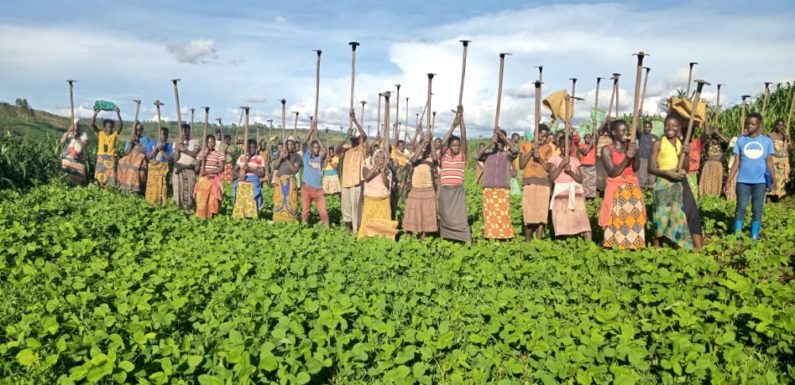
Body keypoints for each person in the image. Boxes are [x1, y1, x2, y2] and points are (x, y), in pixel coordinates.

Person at [648, 115, 703, 249]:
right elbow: (650, 168)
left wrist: (686, 154)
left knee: (681, 213)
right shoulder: (659, 143)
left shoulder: (681, 144)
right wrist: (667, 172)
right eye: (667, 125)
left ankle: (690, 246)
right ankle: (657, 248)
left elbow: (686, 168)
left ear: (679, 128)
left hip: (679, 182)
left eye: (674, 126)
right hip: (663, 183)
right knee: (661, 215)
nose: (670, 128)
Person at [726, 113, 776, 239]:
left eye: (753, 124)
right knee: (741, 207)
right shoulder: (741, 140)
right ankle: (737, 235)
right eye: (748, 123)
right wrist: (728, 180)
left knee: (757, 209)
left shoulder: (766, 141)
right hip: (742, 180)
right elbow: (737, 162)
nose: (750, 126)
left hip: (760, 181)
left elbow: (769, 161)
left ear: (759, 125)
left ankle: (754, 236)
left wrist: (773, 180)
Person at [598, 120, 646, 249]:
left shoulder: (630, 147)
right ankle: (615, 245)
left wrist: (634, 154)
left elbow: (636, 168)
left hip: (632, 188)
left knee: (633, 218)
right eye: (623, 130)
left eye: (627, 130)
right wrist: (626, 158)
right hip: (617, 189)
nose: (626, 133)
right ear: (614, 133)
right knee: (617, 218)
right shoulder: (606, 150)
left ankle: (633, 245)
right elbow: (613, 172)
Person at [547, 132, 592, 240]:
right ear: (559, 146)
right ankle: (561, 245)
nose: (565, 149)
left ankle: (589, 245)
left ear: (572, 147)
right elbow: (552, 177)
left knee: (582, 218)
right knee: (560, 220)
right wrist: (562, 164)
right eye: (563, 147)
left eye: (568, 147)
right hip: (560, 192)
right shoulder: (554, 159)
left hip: (575, 193)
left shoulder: (575, 161)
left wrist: (570, 172)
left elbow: (580, 179)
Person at [437, 106, 472, 243]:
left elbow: (464, 136)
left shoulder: (462, 156)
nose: (457, 147)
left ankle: (464, 240)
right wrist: (453, 126)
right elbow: (443, 142)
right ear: (449, 147)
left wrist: (461, 119)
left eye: (458, 145)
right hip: (446, 191)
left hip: (457, 191)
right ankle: (447, 239)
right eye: (454, 145)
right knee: (445, 216)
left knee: (460, 216)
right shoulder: (444, 156)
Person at [478, 129, 517, 240]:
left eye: (501, 141)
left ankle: (504, 238)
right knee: (490, 216)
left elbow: (515, 150)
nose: (499, 143)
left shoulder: (508, 155)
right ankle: (490, 237)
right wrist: (491, 142)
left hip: (502, 189)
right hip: (489, 189)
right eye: (497, 141)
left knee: (503, 215)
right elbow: (477, 156)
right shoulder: (488, 155)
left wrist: (502, 136)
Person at [518, 124, 553, 241]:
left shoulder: (548, 148)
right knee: (529, 212)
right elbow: (522, 165)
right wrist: (531, 151)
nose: (543, 139)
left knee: (541, 212)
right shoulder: (525, 145)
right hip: (529, 182)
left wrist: (540, 159)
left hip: (544, 183)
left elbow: (548, 168)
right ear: (535, 133)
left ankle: (539, 240)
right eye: (542, 136)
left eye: (546, 137)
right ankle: (528, 241)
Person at [403, 130, 439, 240]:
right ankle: (408, 237)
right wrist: (424, 142)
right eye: (422, 146)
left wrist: (431, 141)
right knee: (412, 213)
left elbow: (435, 159)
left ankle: (423, 237)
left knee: (426, 215)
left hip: (428, 190)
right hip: (415, 190)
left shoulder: (430, 159)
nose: (424, 149)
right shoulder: (415, 157)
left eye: (426, 147)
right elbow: (413, 160)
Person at [337, 110, 368, 231]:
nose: (354, 141)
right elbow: (336, 150)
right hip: (346, 183)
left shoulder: (361, 149)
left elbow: (364, 136)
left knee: (356, 209)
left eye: (356, 139)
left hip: (356, 183)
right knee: (346, 208)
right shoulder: (347, 151)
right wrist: (346, 137)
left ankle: (357, 230)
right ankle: (348, 229)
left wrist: (354, 120)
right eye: (352, 139)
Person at [358, 148, 398, 240]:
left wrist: (383, 171)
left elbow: (387, 185)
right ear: (374, 158)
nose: (380, 159)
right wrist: (376, 166)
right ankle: (367, 240)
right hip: (370, 200)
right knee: (368, 223)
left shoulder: (388, 171)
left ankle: (383, 242)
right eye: (378, 157)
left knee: (383, 223)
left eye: (383, 157)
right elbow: (367, 177)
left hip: (383, 201)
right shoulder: (366, 167)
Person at [301, 125, 330, 226]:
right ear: (311, 148)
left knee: (323, 212)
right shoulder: (306, 157)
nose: (317, 150)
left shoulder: (319, 159)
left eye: (318, 148)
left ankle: (327, 228)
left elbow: (325, 151)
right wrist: (311, 130)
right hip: (307, 188)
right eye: (315, 148)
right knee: (305, 211)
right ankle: (303, 228)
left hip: (318, 190)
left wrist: (317, 137)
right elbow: (304, 143)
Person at [232, 139, 265, 219]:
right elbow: (234, 171)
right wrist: (240, 176)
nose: (251, 149)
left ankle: (253, 214)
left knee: (254, 195)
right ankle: (241, 214)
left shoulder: (259, 158)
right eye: (249, 148)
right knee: (238, 188)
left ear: (256, 148)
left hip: (254, 180)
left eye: (253, 147)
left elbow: (262, 174)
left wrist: (250, 169)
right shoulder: (242, 157)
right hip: (242, 179)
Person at [272, 137, 302, 222]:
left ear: (295, 145)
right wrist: (281, 157)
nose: (290, 146)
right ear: (286, 145)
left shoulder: (297, 156)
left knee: (292, 201)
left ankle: (291, 220)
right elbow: (275, 167)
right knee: (279, 201)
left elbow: (294, 170)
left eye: (292, 144)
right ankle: (278, 220)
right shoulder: (280, 153)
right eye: (288, 144)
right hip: (280, 181)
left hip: (291, 182)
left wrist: (286, 159)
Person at [194, 135, 225, 219]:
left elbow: (221, 168)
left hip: (214, 179)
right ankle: (201, 217)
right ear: (206, 143)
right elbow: (196, 169)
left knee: (213, 200)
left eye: (212, 142)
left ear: (215, 143)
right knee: (201, 199)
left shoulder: (219, 154)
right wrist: (200, 161)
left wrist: (208, 172)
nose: (211, 144)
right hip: (203, 179)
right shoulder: (201, 153)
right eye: (208, 142)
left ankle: (212, 217)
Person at [91, 107, 123, 187]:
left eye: (112, 127)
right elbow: (92, 124)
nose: (111, 128)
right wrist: (95, 114)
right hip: (101, 157)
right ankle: (98, 188)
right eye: (108, 127)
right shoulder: (100, 133)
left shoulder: (114, 134)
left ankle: (110, 189)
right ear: (104, 128)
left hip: (111, 158)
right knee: (99, 175)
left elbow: (121, 126)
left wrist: (118, 114)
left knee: (111, 177)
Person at [173, 123, 199, 211]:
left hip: (189, 169)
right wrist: (178, 148)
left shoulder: (195, 142)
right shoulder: (177, 142)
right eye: (183, 131)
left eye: (186, 131)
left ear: (189, 131)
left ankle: (189, 208)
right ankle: (179, 209)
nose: (184, 133)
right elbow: (176, 159)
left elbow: (197, 154)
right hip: (178, 169)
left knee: (189, 192)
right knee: (178, 190)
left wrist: (185, 150)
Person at [117, 121, 149, 193]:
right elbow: (126, 152)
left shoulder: (145, 139)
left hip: (140, 158)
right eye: (136, 130)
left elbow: (144, 151)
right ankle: (123, 185)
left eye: (139, 130)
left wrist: (136, 142)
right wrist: (131, 143)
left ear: (141, 130)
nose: (137, 132)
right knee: (121, 162)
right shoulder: (130, 138)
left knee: (134, 167)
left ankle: (135, 188)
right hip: (130, 157)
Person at [145, 127, 173, 206]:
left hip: (163, 170)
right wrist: (156, 148)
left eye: (166, 134)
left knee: (163, 188)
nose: (164, 136)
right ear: (159, 134)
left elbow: (170, 159)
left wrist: (162, 150)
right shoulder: (151, 144)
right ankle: (150, 203)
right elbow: (149, 157)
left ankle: (162, 204)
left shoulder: (169, 146)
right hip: (153, 171)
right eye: (163, 134)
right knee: (152, 187)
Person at [698, 126, 728, 197]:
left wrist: (718, 133)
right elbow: (704, 137)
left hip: (718, 166)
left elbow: (727, 141)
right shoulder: (708, 144)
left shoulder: (722, 145)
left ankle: (714, 197)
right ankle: (705, 196)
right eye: (713, 137)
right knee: (707, 181)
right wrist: (712, 132)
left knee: (716, 182)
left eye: (717, 137)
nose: (715, 139)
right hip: (708, 165)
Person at [59, 119, 89, 185]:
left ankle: (77, 186)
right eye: (75, 126)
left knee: (78, 175)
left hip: (78, 158)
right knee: (66, 174)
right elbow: (62, 141)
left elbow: (85, 145)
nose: (76, 127)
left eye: (78, 126)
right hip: (68, 157)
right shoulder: (69, 133)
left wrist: (77, 138)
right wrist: (69, 131)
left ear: (80, 126)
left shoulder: (83, 134)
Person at [767, 119, 790, 200]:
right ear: (775, 125)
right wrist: (778, 155)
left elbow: (786, 148)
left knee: (781, 177)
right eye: (778, 125)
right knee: (772, 176)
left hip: (782, 160)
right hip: (773, 159)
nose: (779, 127)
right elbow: (770, 148)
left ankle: (779, 194)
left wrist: (787, 140)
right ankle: (769, 195)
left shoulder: (784, 136)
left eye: (781, 125)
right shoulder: (770, 135)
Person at [725, 127, 748, 201]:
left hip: (744, 167)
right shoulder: (735, 139)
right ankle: (731, 199)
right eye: (745, 129)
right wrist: (740, 138)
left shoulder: (750, 141)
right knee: (732, 182)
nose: (746, 131)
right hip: (733, 164)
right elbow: (731, 149)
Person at [637, 121, 657, 189]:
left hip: (652, 159)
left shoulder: (655, 137)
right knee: (642, 175)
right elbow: (637, 129)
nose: (647, 128)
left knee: (652, 176)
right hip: (642, 159)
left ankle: (651, 190)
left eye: (648, 127)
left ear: (651, 128)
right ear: (643, 128)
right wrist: (638, 118)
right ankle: (643, 191)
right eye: (645, 127)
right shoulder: (641, 135)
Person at [577, 133, 597, 198]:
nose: (588, 139)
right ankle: (584, 200)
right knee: (584, 185)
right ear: (584, 139)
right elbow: (585, 152)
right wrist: (591, 144)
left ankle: (591, 201)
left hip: (592, 167)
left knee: (591, 186)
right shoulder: (581, 145)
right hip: (584, 167)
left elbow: (596, 135)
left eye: (589, 138)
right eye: (586, 137)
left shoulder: (594, 146)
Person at [686, 132, 704, 200]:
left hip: (692, 174)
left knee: (691, 198)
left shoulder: (696, 143)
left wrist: (705, 121)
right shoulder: (678, 142)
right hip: (680, 174)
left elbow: (706, 134)